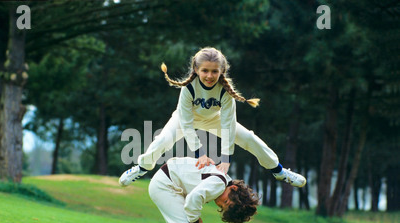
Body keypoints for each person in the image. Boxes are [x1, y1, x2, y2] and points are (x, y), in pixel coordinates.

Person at [119, 47, 306, 188]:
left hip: (214, 119)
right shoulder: (189, 87)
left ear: (221, 71)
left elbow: (228, 125)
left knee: (249, 138)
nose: (209, 75)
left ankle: (279, 171)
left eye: (215, 71)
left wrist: (225, 158)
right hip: (187, 119)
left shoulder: (224, 91)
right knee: (162, 140)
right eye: (205, 71)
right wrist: (200, 153)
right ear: (196, 69)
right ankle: (142, 167)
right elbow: (185, 121)